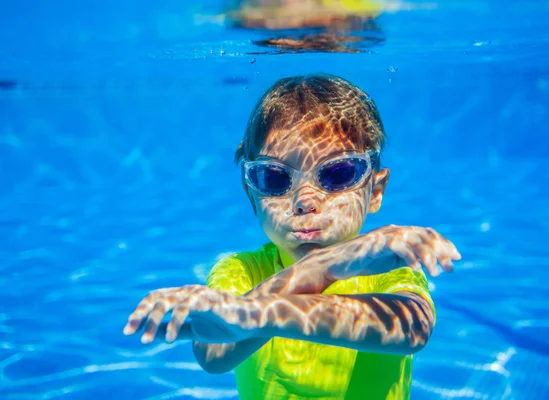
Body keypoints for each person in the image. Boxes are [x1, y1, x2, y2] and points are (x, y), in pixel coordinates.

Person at [123, 73, 461, 399]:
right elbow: (213, 354)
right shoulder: (241, 270)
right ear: (250, 194)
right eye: (274, 178)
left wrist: (256, 313)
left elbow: (412, 327)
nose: (304, 201)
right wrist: (324, 268)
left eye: (338, 173)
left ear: (375, 190)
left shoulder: (386, 262)